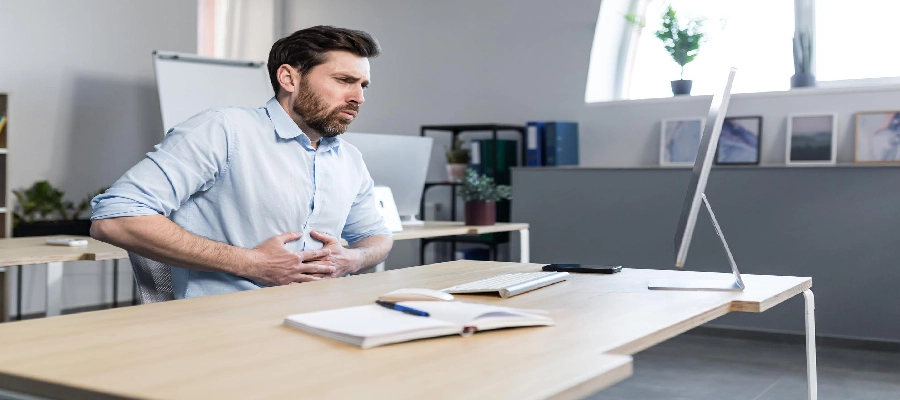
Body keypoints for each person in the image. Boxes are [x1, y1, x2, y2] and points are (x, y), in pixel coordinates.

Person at [90, 25, 393, 299]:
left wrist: (351, 259)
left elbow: (376, 237)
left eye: (363, 86)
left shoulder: (349, 158)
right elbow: (116, 218)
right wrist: (253, 264)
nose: (358, 97)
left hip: (315, 314)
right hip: (227, 323)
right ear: (289, 78)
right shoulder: (223, 129)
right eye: (344, 80)